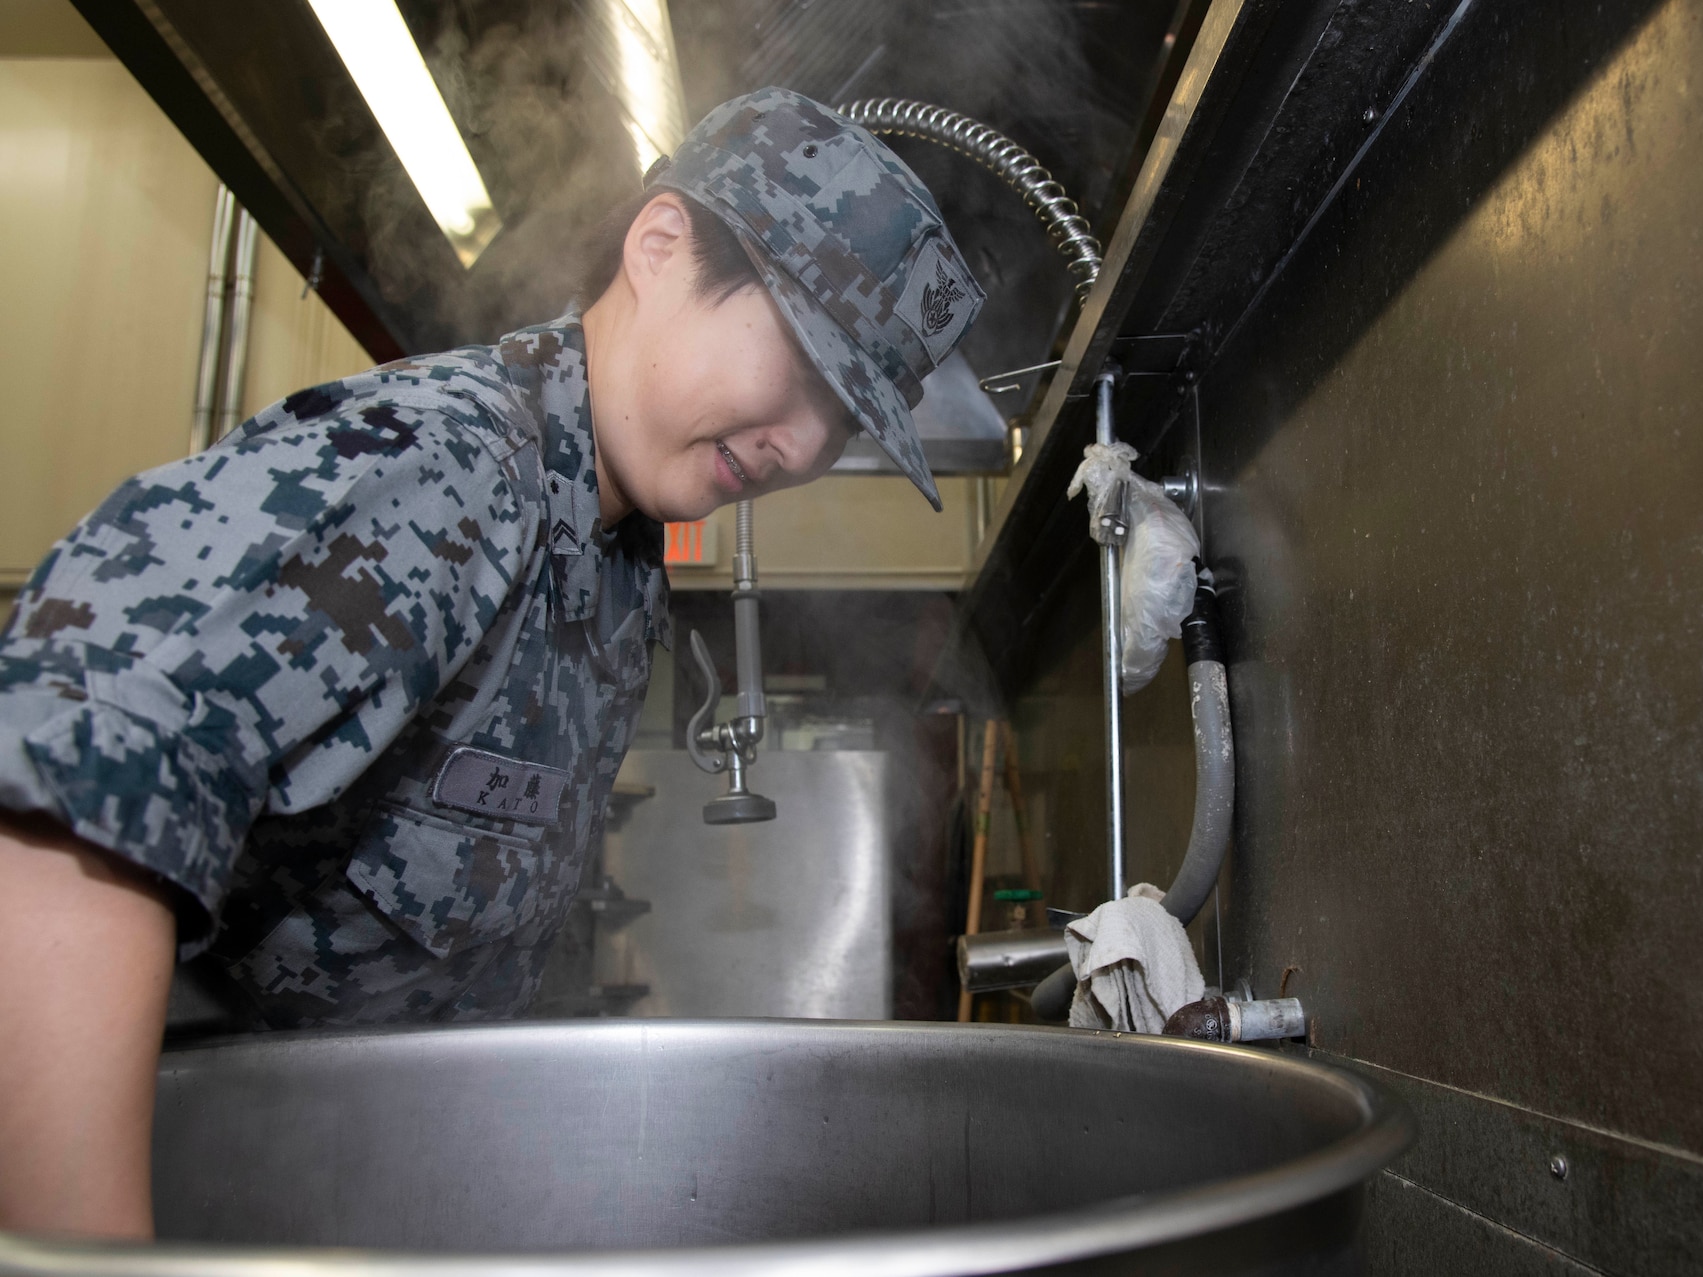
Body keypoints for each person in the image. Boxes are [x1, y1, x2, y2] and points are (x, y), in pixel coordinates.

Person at [0, 87, 984, 1240]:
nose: (805, 446)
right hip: (208, 1207)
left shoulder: (613, 559)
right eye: (807, 368)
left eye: (844, 418)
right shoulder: (446, 471)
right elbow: (67, 798)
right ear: (659, 247)